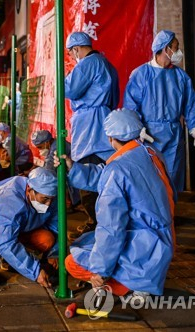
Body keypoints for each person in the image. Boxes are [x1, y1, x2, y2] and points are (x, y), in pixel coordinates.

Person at [55, 108, 175, 297]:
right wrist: (74, 168)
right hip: (162, 242)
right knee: (88, 241)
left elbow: (112, 228)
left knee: (73, 260)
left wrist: (100, 271)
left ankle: (124, 287)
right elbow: (107, 175)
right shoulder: (152, 153)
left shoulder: (117, 169)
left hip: (142, 247)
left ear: (110, 138)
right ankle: (139, 282)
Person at [123, 30, 195, 192]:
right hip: (148, 136)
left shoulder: (181, 77)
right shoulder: (141, 75)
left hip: (174, 136)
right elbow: (131, 106)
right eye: (176, 47)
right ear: (166, 49)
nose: (178, 51)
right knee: (149, 179)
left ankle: (170, 216)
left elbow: (190, 105)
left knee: (171, 178)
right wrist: (138, 130)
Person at [64, 31, 120, 239]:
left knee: (86, 175)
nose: (71, 57)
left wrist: (64, 76)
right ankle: (103, 221)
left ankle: (95, 223)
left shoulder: (88, 64)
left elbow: (68, 89)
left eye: (71, 53)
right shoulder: (107, 64)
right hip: (104, 122)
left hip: (89, 127)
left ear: (76, 48)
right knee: (104, 173)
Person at [31, 129, 80, 208]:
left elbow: (49, 169)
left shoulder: (58, 147)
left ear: (46, 142)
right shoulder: (53, 145)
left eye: (40, 147)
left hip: (77, 173)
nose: (39, 150)